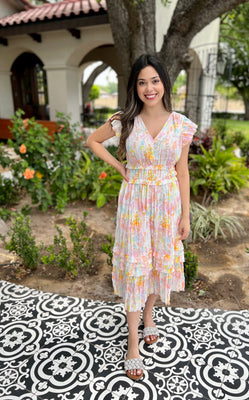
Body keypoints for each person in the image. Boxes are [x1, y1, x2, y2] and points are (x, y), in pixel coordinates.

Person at [87, 54, 197, 381]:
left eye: (155, 80)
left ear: (164, 83)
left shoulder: (180, 125)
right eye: (141, 82)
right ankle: (133, 342)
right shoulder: (126, 120)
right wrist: (121, 167)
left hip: (166, 204)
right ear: (134, 87)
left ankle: (149, 316)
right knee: (137, 267)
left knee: (157, 265)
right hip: (134, 203)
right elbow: (93, 141)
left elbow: (183, 172)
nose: (149, 88)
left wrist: (186, 216)